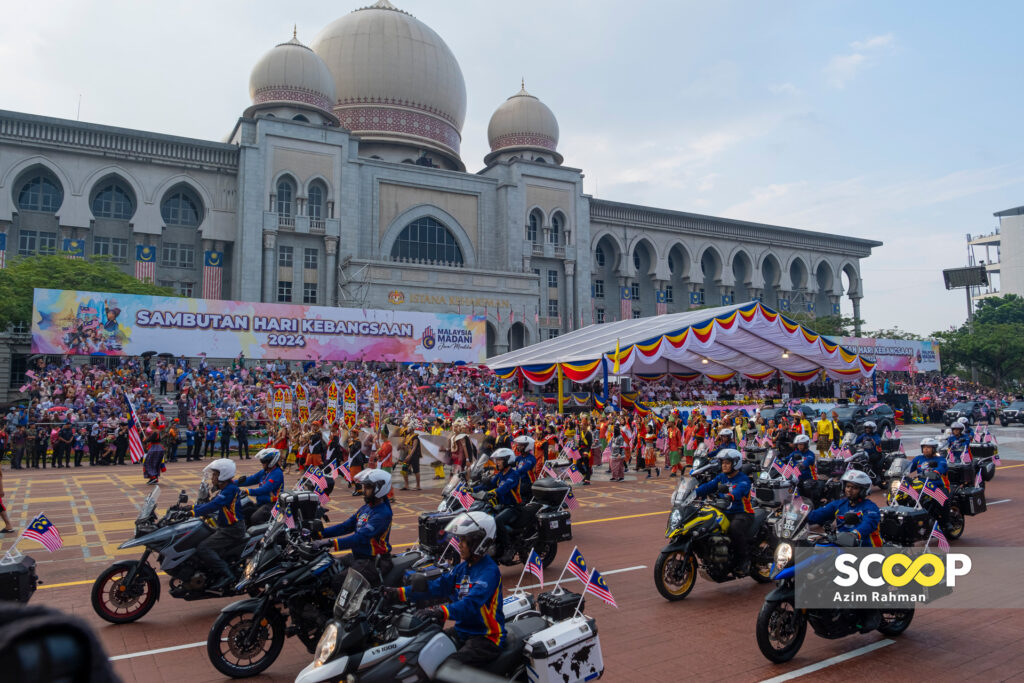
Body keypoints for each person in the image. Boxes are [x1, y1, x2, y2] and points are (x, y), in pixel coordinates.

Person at [386, 511, 505, 667]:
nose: (460, 544)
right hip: (463, 631)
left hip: (486, 638)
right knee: (424, 648)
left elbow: (471, 604)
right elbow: (439, 586)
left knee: (449, 666)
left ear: (479, 543)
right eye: (460, 539)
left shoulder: (489, 572)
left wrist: (441, 611)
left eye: (465, 540)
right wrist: (399, 593)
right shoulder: (463, 567)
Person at [314, 469, 394, 584]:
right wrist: (319, 533)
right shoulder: (366, 508)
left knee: (338, 582)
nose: (364, 490)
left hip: (374, 561)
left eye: (368, 487)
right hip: (358, 557)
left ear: (379, 489)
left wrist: (329, 542)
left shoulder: (382, 514)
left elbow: (360, 538)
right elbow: (345, 526)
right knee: (326, 569)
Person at [178, 459, 245, 591]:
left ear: (223, 475)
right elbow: (210, 503)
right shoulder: (225, 488)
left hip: (232, 530)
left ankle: (228, 575)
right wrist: (188, 508)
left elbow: (213, 506)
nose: (213, 477)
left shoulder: (229, 490)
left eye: (215, 474)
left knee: (203, 547)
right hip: (226, 527)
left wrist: (192, 513)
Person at [694, 449, 753, 575]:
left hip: (742, 513)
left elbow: (739, 491)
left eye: (727, 463)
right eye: (723, 463)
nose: (724, 465)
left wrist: (730, 496)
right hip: (723, 510)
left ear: (735, 464)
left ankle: (744, 559)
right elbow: (709, 486)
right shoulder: (721, 477)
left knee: (734, 528)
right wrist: (694, 492)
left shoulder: (743, 479)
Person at [806, 469, 882, 546]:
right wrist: (800, 517)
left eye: (854, 488)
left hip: (867, 548)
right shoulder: (838, 504)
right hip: (843, 544)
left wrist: (854, 534)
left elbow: (869, 523)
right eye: (848, 486)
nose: (849, 490)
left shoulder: (870, 507)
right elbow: (818, 514)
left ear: (863, 490)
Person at [474, 448, 522, 561]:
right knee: (485, 513)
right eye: (497, 460)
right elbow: (488, 485)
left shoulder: (513, 475)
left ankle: (508, 548)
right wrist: (471, 489)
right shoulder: (500, 475)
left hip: (513, 507)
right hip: (502, 506)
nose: (497, 462)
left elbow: (503, 488)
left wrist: (492, 493)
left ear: (507, 460)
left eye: (500, 460)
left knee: (497, 520)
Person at [238, 448, 284, 525]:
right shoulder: (264, 472)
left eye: (263, 461)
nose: (262, 463)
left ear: (271, 461)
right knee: (244, 511)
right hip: (262, 503)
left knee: (255, 518)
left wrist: (248, 491)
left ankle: (264, 535)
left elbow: (265, 489)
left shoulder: (277, 473)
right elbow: (250, 479)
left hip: (272, 505)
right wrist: (231, 482)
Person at [785, 434, 819, 502]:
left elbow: (806, 462)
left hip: (808, 478)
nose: (799, 446)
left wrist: (800, 466)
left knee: (806, 486)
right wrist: (777, 459)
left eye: (801, 444)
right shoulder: (795, 453)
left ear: (806, 444)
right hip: (796, 477)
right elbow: (786, 459)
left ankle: (810, 503)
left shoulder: (810, 454)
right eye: (798, 444)